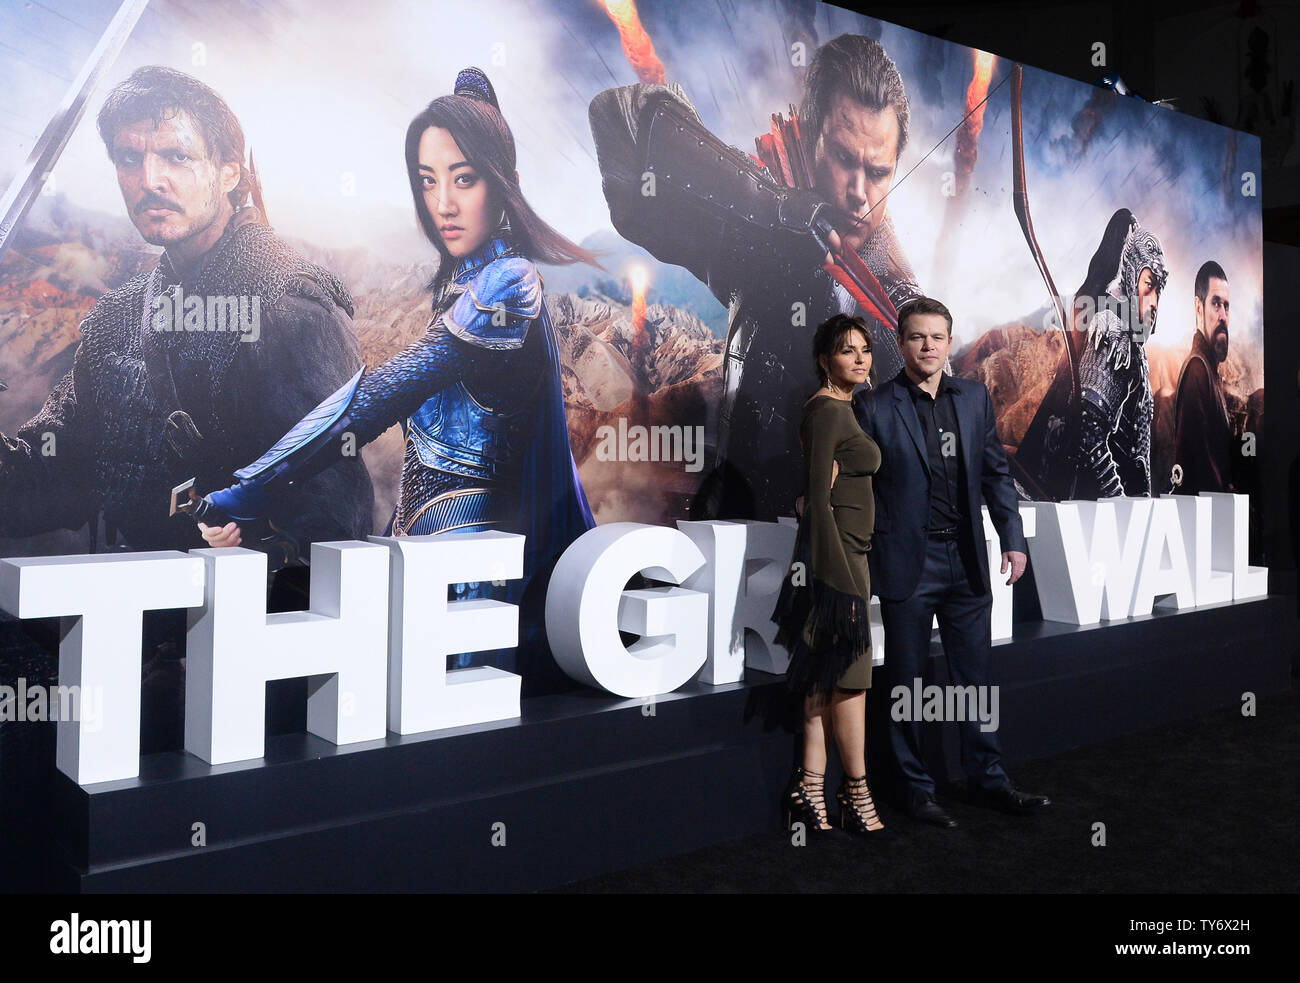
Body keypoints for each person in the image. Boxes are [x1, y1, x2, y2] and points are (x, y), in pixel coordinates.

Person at [0, 66, 374, 751]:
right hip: (126, 632)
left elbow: (332, 537)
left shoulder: (290, 307)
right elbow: (54, 470)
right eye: (130, 158)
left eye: (175, 156)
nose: (150, 179)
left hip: (243, 672)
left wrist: (207, 666)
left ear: (229, 171)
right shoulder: (117, 318)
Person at [197, 67, 597, 695]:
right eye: (427, 180)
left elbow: (381, 394)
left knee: (459, 737)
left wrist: (256, 486)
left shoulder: (509, 283)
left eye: (464, 178)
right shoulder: (463, 286)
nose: (443, 203)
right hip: (417, 547)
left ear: (505, 184)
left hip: (474, 569)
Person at [589, 34, 921, 522]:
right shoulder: (765, 230)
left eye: (878, 171)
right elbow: (621, 123)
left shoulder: (893, 289)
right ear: (810, 141)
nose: (858, 193)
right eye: (844, 159)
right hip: (743, 534)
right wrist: (781, 211)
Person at [854, 297, 1048, 827]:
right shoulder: (874, 406)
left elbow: (994, 476)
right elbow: (858, 491)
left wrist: (1013, 537)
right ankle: (914, 790)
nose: (928, 346)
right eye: (917, 337)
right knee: (907, 682)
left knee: (975, 679)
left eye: (937, 337)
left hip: (965, 559)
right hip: (906, 565)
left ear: (948, 341)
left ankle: (988, 780)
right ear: (900, 342)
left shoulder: (974, 399)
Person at [772, 314, 884, 837]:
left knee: (823, 680)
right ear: (825, 359)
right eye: (847, 350)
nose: (859, 358)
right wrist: (843, 587)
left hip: (843, 560)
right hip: (838, 566)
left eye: (864, 349)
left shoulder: (844, 408)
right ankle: (856, 794)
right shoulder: (826, 412)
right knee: (853, 683)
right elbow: (817, 502)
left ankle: (809, 790)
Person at [1013, 208, 1167, 500]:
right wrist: (1118, 497)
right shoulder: (1113, 327)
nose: (1155, 299)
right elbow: (1089, 431)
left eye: (1159, 286)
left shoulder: (1128, 333)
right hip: (1095, 501)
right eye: (1149, 283)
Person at [1171, 261, 1234, 494]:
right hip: (1204, 520)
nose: (1223, 316)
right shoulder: (1198, 370)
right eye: (1216, 304)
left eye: (1227, 307)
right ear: (1199, 308)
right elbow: (1203, 468)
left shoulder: (1209, 371)